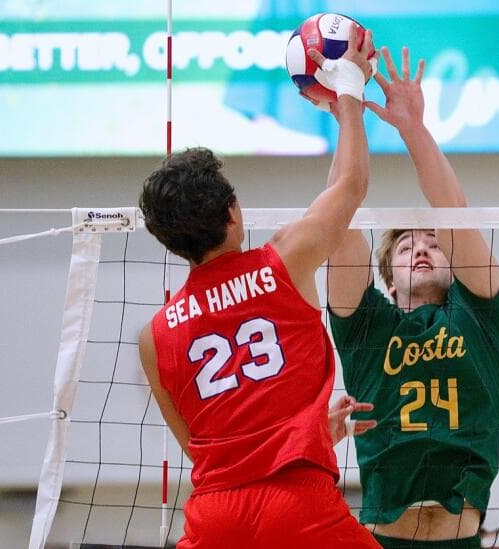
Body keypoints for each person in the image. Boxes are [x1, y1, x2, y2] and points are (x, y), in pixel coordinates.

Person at [137, 26, 381, 549]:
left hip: (215, 515)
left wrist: (310, 433)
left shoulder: (154, 337)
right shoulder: (283, 261)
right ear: (232, 213)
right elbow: (351, 188)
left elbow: (202, 448)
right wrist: (350, 96)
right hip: (297, 502)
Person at [326, 46, 499, 548]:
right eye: (407, 245)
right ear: (387, 280)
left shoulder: (481, 315)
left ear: (454, 264)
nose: (424, 248)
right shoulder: (368, 327)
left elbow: (452, 208)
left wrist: (411, 127)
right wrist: (348, 108)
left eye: (433, 242)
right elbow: (338, 220)